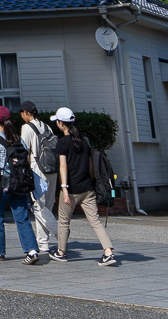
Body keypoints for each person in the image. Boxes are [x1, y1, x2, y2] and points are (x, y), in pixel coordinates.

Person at [50, 106, 118, 266]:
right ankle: (108, 253)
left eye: (57, 122)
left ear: (60, 123)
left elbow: (63, 167)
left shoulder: (62, 143)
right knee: (95, 222)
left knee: (64, 221)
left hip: (72, 189)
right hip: (88, 188)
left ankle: (61, 252)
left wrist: (64, 189)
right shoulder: (84, 141)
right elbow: (90, 165)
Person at [0, 106, 41, 263]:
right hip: (19, 183)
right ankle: (31, 251)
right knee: (22, 217)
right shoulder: (18, 139)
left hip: (2, 183)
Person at [17, 101, 57, 256]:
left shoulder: (27, 128)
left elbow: (23, 150)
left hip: (37, 169)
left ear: (26, 113)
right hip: (52, 169)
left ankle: (59, 233)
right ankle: (44, 243)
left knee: (38, 206)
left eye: (22, 113)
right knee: (48, 205)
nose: (21, 117)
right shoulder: (47, 126)